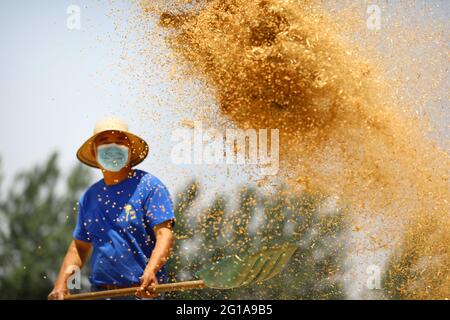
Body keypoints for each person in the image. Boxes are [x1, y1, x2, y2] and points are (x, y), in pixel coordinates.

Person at [48, 117, 175, 300]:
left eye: (119, 141)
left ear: (130, 150)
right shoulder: (90, 197)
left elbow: (165, 235)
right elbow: (79, 248)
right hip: (101, 293)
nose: (113, 147)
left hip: (142, 292)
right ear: (94, 151)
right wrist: (62, 284)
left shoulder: (149, 186)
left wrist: (151, 270)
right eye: (105, 142)